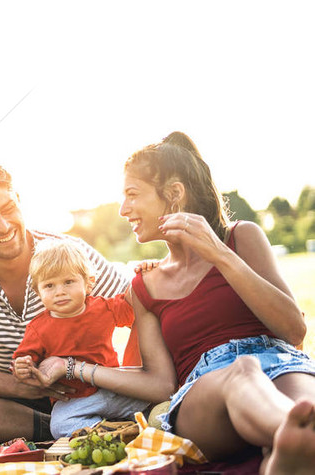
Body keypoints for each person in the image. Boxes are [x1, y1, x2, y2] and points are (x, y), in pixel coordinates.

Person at [21, 131, 315, 472]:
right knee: (245, 372)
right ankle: (290, 437)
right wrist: (74, 367)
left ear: (174, 195)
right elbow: (159, 384)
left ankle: (288, 455)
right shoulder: (146, 285)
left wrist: (219, 253)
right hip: (204, 393)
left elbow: (293, 330)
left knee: (306, 410)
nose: (123, 209)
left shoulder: (241, 238)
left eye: (133, 195)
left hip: (280, 362)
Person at [0, 159, 134, 444]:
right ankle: (65, 429)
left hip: (90, 393)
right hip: (5, 404)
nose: (3, 226)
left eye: (8, 209)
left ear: (19, 201)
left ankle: (81, 423)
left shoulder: (68, 253)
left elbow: (140, 310)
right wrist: (22, 387)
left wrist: (134, 378)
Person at [12, 240, 149, 438]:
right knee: (59, 425)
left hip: (113, 388)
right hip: (75, 400)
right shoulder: (38, 328)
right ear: (37, 291)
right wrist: (23, 367)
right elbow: (24, 361)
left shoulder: (103, 308)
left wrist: (143, 275)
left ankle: (126, 426)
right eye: (49, 285)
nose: (60, 291)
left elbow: (133, 305)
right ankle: (111, 431)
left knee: (153, 402)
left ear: (88, 283)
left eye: (68, 282)